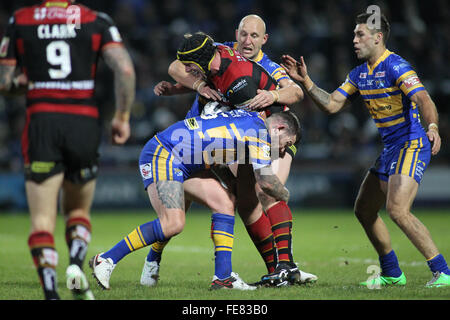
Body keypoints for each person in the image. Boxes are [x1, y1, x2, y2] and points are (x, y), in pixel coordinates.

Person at [281, 12, 449, 288]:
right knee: (364, 209)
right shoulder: (359, 74)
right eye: (354, 35)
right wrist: (307, 82)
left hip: (412, 142)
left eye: (360, 35)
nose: (354, 40)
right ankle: (393, 273)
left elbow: (422, 97)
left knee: (397, 210)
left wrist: (432, 126)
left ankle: (442, 272)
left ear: (378, 37)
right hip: (391, 148)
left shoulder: (395, 66)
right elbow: (333, 104)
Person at [147, 29, 315, 288]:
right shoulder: (220, 51)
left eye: (255, 36)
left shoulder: (266, 66)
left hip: (269, 131)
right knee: (229, 203)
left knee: (264, 192)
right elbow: (177, 67)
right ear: (236, 35)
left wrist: (273, 95)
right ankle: (153, 258)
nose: (248, 41)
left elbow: (296, 93)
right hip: (219, 137)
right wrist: (193, 85)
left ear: (265, 40)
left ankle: (285, 266)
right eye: (244, 34)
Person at [0, 0, 135, 299]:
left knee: (42, 220)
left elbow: (5, 82)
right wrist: (122, 117)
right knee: (76, 209)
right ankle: (75, 264)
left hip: (42, 121)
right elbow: (124, 69)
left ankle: (50, 291)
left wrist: (27, 83)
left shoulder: (20, 19)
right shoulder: (96, 19)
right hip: (83, 122)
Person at [90, 109, 301, 290]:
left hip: (183, 161)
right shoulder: (261, 133)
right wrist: (286, 196)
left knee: (225, 202)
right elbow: (267, 183)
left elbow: (218, 157)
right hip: (164, 154)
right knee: (172, 223)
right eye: (286, 144)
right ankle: (106, 259)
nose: (282, 150)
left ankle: (223, 279)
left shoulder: (250, 121)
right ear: (279, 128)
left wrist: (229, 182)